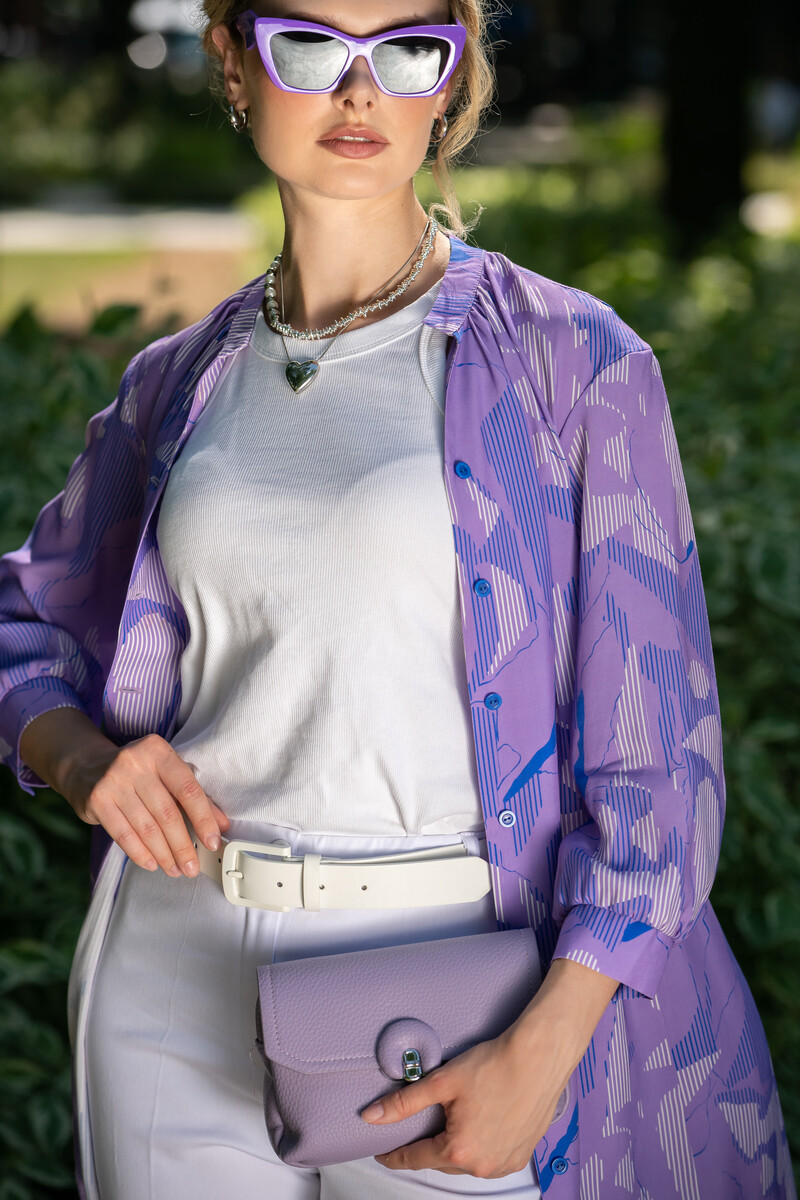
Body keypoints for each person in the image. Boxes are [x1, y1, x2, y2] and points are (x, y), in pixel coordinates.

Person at [0, 1, 794, 1197]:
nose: (358, 89)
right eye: (309, 43)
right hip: (171, 972)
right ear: (232, 63)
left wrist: (548, 1042)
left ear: (451, 78)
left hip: (456, 989)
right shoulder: (175, 384)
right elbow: (25, 627)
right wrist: (78, 761)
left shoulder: (572, 362)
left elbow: (657, 761)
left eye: (407, 48)